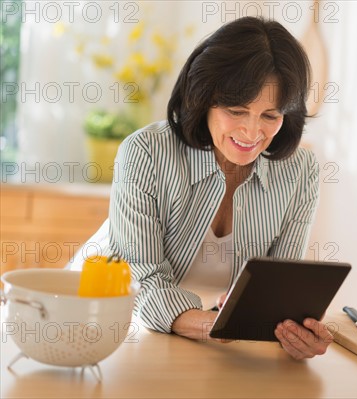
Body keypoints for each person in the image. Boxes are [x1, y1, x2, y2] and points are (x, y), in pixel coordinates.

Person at [71, 16, 332, 360]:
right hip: (106, 322)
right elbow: (142, 280)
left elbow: (277, 294)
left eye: (270, 116)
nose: (252, 132)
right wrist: (215, 324)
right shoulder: (145, 152)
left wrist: (295, 332)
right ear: (202, 98)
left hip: (207, 343)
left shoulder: (301, 172)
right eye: (236, 110)